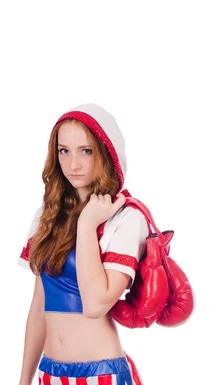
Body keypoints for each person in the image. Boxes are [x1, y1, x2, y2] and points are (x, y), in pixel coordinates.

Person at [18, 104, 146, 384]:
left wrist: (87, 225)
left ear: (107, 153)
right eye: (64, 150)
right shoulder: (47, 214)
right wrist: (24, 380)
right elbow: (39, 305)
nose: (73, 164)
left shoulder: (125, 217)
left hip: (102, 375)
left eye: (86, 151)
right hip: (49, 373)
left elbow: (95, 305)